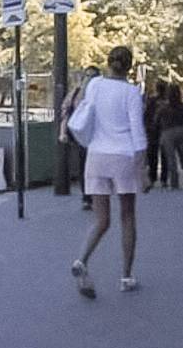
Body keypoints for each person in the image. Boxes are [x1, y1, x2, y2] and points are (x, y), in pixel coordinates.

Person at [71, 46, 148, 297]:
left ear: (109, 63)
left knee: (101, 220)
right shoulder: (131, 92)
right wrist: (142, 169)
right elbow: (137, 132)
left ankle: (82, 259)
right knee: (127, 216)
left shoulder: (94, 86)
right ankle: (126, 275)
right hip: (123, 156)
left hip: (96, 156)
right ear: (129, 66)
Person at [60, 66, 101, 210]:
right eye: (88, 75)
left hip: (98, 137)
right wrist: (63, 132)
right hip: (82, 136)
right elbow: (66, 112)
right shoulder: (75, 93)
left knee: (96, 167)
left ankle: (95, 195)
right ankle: (87, 197)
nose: (90, 79)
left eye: (93, 76)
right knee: (84, 166)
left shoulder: (101, 94)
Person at [156, 84, 183, 189]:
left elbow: (156, 120)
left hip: (168, 132)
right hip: (182, 131)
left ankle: (174, 183)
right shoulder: (182, 106)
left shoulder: (164, 107)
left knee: (171, 160)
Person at [144, 80, 168, 187]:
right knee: (164, 155)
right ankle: (164, 179)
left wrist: (146, 127)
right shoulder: (168, 101)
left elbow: (146, 115)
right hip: (165, 130)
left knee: (152, 155)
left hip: (153, 130)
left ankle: (152, 177)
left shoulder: (152, 100)